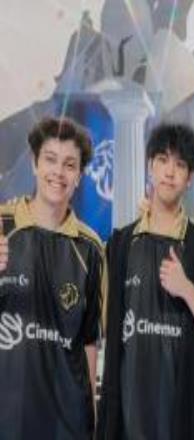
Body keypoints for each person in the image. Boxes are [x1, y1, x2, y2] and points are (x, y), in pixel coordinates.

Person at [97, 122, 194, 440]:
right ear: (149, 166)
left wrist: (187, 290)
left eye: (180, 165)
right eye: (162, 160)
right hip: (128, 420)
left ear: (190, 177)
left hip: (182, 421)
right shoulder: (121, 244)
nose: (170, 172)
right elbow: (103, 329)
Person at [0, 116, 105, 439]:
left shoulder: (90, 248)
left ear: (80, 176)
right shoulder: (3, 226)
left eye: (69, 165)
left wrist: (91, 421)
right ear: (34, 164)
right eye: (50, 159)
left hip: (66, 424)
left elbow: (89, 341)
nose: (58, 172)